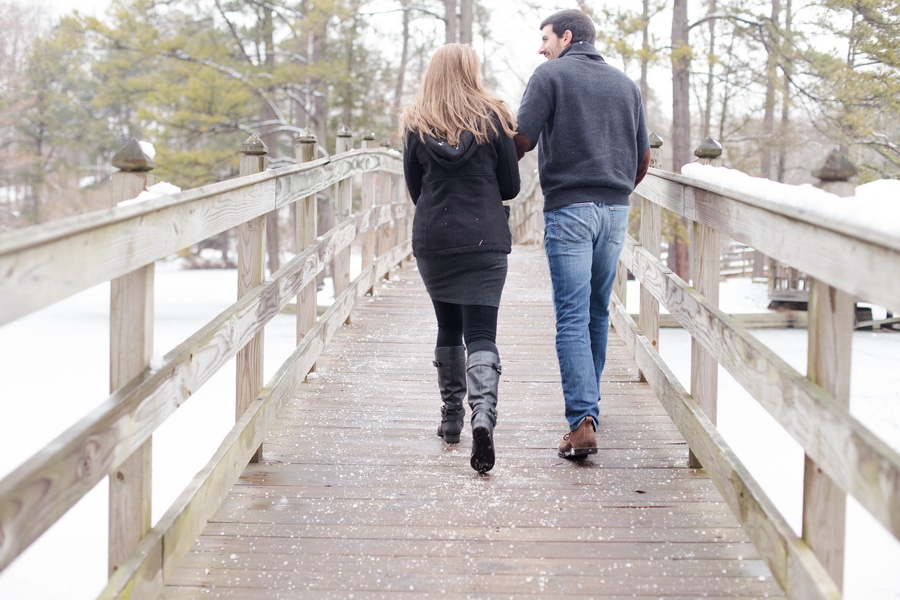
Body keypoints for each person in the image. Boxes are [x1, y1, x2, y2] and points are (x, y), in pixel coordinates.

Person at [514, 9, 650, 460]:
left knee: (572, 316)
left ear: (567, 37)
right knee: (595, 312)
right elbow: (644, 158)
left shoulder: (550, 76)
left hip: (570, 209)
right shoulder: (626, 85)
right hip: (615, 211)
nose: (541, 48)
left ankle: (581, 423)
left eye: (546, 38)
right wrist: (616, 189)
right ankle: (587, 412)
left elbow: (521, 140)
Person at [399, 43, 521, 473]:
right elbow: (511, 186)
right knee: (481, 332)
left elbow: (415, 188)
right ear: (472, 70)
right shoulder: (494, 117)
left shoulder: (416, 121)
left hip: (434, 238)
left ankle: (451, 418)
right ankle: (482, 416)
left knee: (448, 325)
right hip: (485, 239)